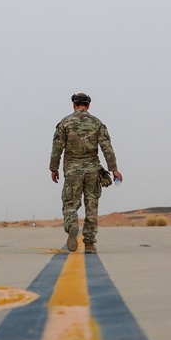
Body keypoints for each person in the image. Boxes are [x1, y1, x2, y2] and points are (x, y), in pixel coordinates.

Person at [50, 93, 121, 254]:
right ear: (88, 106)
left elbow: (57, 148)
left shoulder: (65, 122)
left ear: (74, 105)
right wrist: (114, 169)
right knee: (92, 205)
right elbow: (107, 147)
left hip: (72, 170)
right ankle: (89, 243)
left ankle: (73, 225)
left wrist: (53, 168)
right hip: (92, 170)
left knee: (70, 204)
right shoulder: (97, 123)